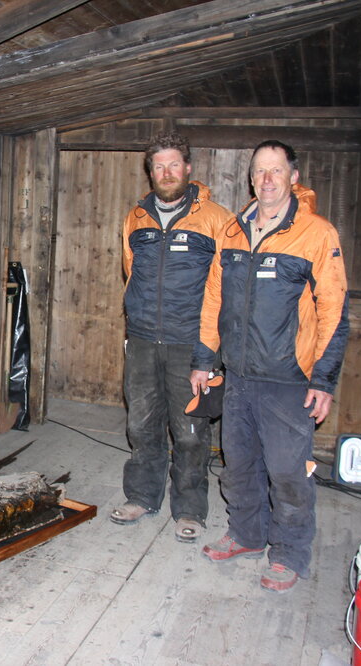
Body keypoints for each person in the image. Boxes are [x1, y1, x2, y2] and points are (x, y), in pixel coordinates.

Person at [191, 140, 349, 592]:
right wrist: (204, 360)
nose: (267, 179)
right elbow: (213, 299)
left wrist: (323, 379)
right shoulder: (233, 232)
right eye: (260, 170)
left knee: (287, 472)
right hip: (238, 376)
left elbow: (335, 310)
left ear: (293, 177)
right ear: (250, 178)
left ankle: (289, 554)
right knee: (238, 465)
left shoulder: (316, 233)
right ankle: (245, 534)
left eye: (276, 170)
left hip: (288, 380)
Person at [110, 132, 231, 544]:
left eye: (174, 164)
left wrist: (208, 351)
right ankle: (142, 496)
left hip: (191, 344)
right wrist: (134, 328)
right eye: (159, 166)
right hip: (143, 341)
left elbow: (223, 287)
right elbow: (130, 271)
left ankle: (190, 508)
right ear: (151, 171)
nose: (166, 173)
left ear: (188, 168)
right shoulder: (136, 217)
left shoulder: (215, 218)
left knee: (191, 432)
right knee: (141, 426)